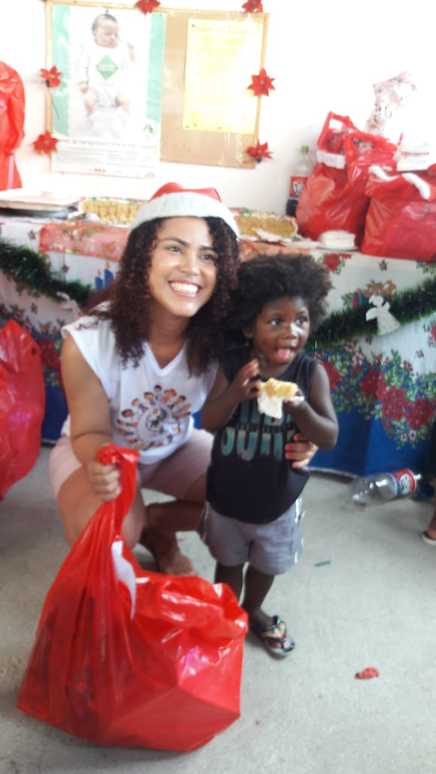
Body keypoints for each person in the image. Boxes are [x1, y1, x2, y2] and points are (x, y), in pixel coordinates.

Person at [48, 182, 318, 576]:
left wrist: (300, 438)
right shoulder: (88, 340)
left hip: (173, 446)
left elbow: (265, 402)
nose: (192, 267)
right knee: (110, 539)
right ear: (143, 256)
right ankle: (134, 524)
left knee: (256, 486)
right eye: (175, 248)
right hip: (97, 449)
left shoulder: (227, 341)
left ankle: (157, 528)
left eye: (208, 256)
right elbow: (88, 431)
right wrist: (99, 461)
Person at [201, 254, 339, 656]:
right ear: (249, 326)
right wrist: (233, 394)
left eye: (300, 320)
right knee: (228, 563)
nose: (290, 332)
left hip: (278, 499)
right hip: (228, 496)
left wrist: (301, 408)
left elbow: (329, 435)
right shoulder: (233, 365)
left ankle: (253, 609)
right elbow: (209, 421)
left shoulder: (310, 374)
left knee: (266, 565)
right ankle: (227, 614)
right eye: (276, 321)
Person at [77, 12, 133, 136]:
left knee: (125, 101)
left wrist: (130, 52)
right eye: (108, 34)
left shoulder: (119, 50)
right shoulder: (90, 48)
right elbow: (82, 66)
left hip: (115, 88)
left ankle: (120, 121)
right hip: (95, 88)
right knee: (88, 100)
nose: (112, 37)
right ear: (95, 33)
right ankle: (95, 119)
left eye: (115, 34)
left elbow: (128, 65)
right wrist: (83, 81)